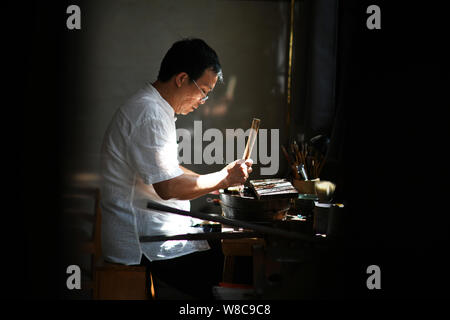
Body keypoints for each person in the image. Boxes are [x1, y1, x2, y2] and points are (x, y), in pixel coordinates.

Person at [100, 38, 253, 299]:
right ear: (182, 78)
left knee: (228, 244)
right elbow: (168, 187)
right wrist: (223, 179)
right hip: (142, 246)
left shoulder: (155, 107)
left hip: (155, 233)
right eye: (203, 90)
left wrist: (220, 178)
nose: (204, 100)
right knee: (239, 265)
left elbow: (167, 168)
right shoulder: (149, 113)